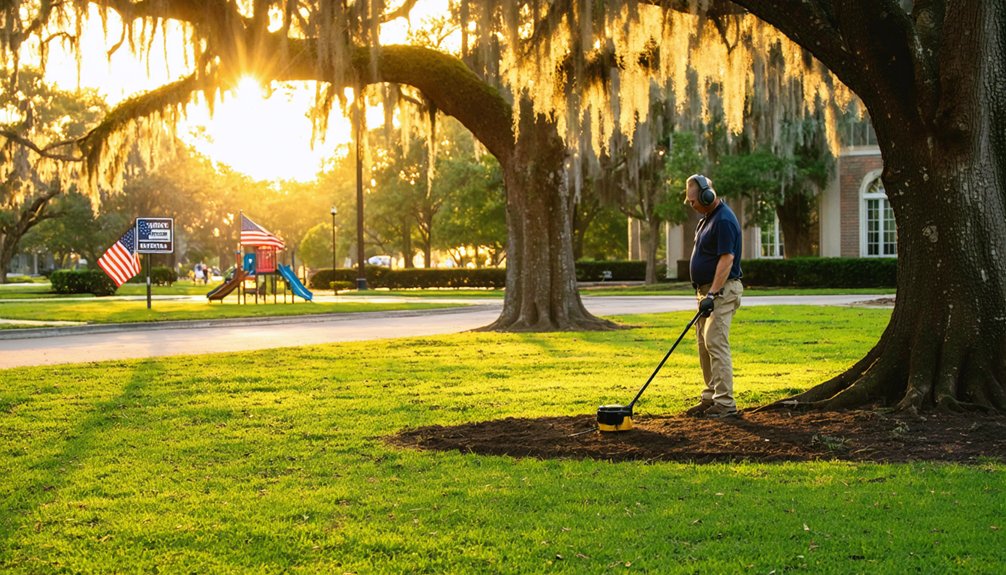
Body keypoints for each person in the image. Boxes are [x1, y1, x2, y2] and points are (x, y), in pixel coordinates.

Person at [682, 174, 743, 419]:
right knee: (704, 345)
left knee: (715, 342)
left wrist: (712, 292)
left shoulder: (724, 220)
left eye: (693, 200)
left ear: (707, 195)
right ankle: (710, 397)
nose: (690, 205)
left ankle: (725, 402)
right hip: (706, 292)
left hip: (722, 290)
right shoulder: (706, 220)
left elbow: (727, 259)